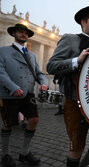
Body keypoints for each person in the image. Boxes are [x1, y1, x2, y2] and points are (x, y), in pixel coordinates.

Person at [46, 6, 89, 167]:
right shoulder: (70, 39)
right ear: (83, 22)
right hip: (74, 102)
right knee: (76, 148)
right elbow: (51, 66)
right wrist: (77, 60)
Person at [0, 23, 48, 167]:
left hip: (28, 94)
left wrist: (43, 82)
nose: (23, 35)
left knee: (34, 120)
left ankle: (25, 152)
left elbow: (38, 73)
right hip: (10, 94)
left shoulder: (31, 55)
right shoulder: (3, 51)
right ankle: (5, 154)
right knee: (8, 124)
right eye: (20, 32)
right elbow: (0, 72)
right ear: (14, 34)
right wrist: (13, 87)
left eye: (26, 33)